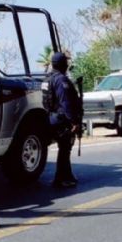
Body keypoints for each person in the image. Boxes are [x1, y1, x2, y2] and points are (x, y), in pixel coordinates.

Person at [42, 52, 83, 188]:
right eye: (66, 63)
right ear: (63, 64)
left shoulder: (47, 79)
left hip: (51, 117)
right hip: (61, 119)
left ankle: (67, 175)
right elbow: (66, 103)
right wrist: (74, 122)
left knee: (64, 148)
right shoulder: (61, 80)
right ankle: (61, 178)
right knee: (65, 149)